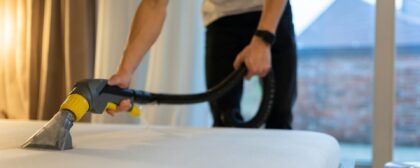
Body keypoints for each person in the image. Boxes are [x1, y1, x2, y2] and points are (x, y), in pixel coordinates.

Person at [106, 0, 297, 129]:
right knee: (224, 119)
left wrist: (264, 38)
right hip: (222, 20)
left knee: (279, 115)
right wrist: (125, 71)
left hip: (271, 13)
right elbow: (154, 4)